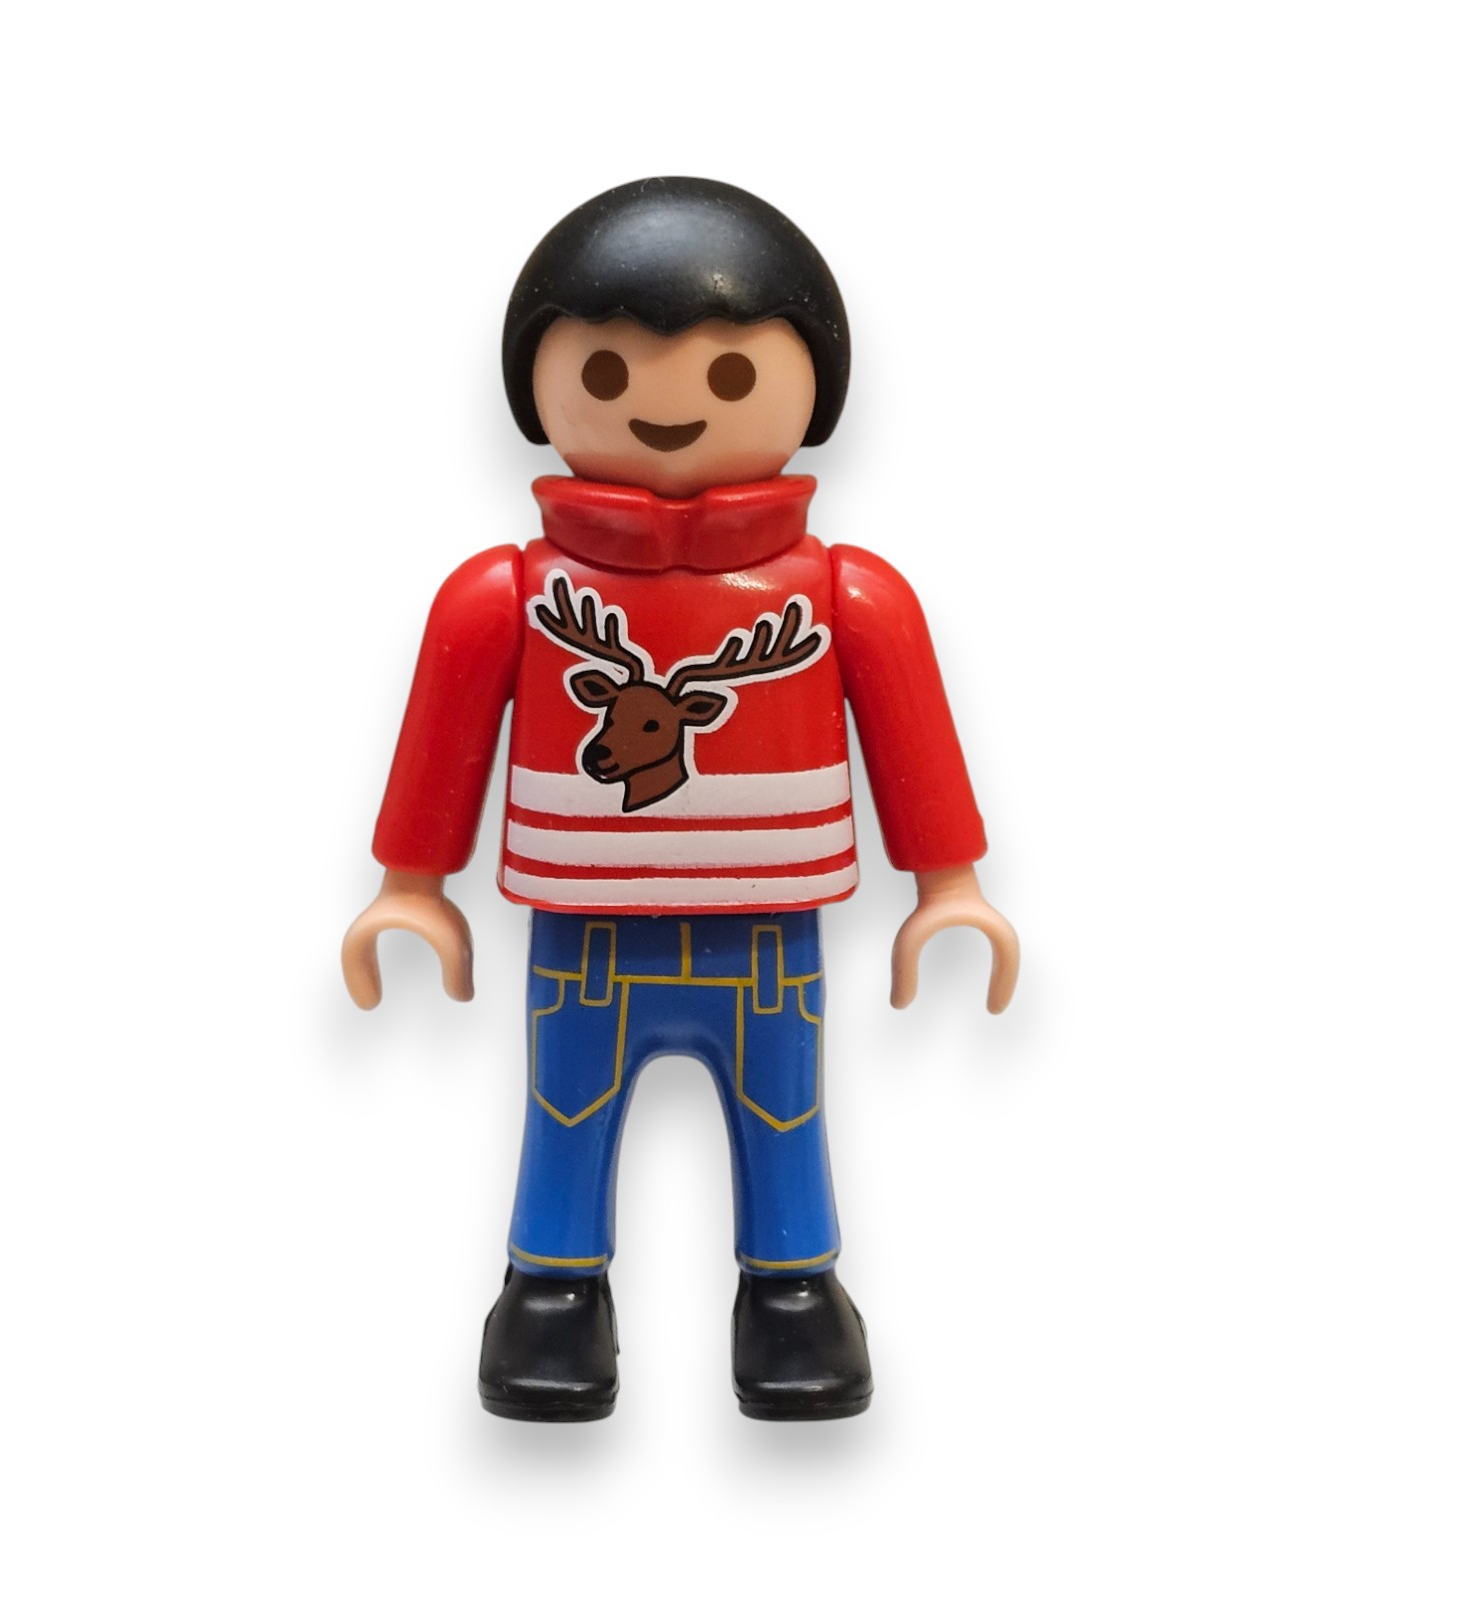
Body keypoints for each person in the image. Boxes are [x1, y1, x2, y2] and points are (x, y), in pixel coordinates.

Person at [342, 177, 1019, 1422]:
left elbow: (910, 731)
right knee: (565, 1107)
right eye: (605, 372)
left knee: (783, 1110)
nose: (663, 404)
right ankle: (551, 1287)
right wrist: (410, 884)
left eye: (729, 374)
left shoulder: (841, 595)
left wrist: (949, 884)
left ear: (811, 385)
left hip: (768, 934)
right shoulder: (510, 595)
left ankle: (793, 1287)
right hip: (582, 934)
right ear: (538, 384)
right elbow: (443, 728)